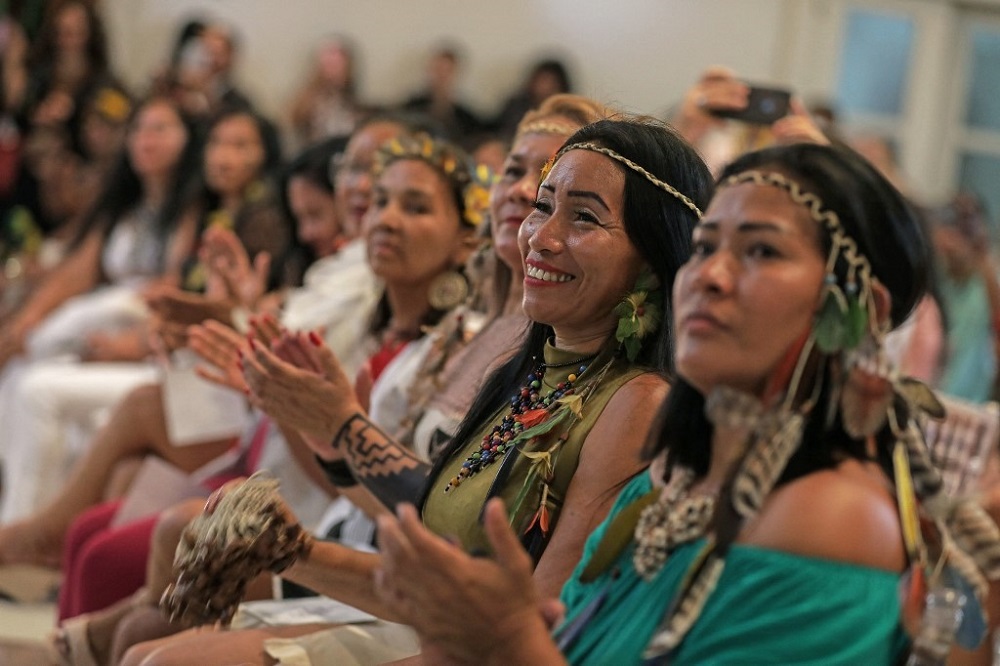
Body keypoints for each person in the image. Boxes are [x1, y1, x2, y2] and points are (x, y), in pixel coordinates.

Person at [374, 142, 1000, 664]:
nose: (711, 275)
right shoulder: (671, 476)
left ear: (857, 310)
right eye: (705, 247)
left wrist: (506, 642)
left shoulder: (830, 518)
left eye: (761, 251)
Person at [130, 116, 711, 665]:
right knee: (147, 641)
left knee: (162, 656)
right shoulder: (526, 368)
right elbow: (441, 582)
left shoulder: (634, 403)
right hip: (427, 626)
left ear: (654, 257)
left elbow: (537, 636)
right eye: (542, 204)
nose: (541, 235)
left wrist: (338, 432)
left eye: (584, 218)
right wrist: (291, 549)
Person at [288, 36, 365, 147]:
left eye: (338, 65)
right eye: (330, 65)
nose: (334, 71)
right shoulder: (305, 103)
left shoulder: (353, 104)